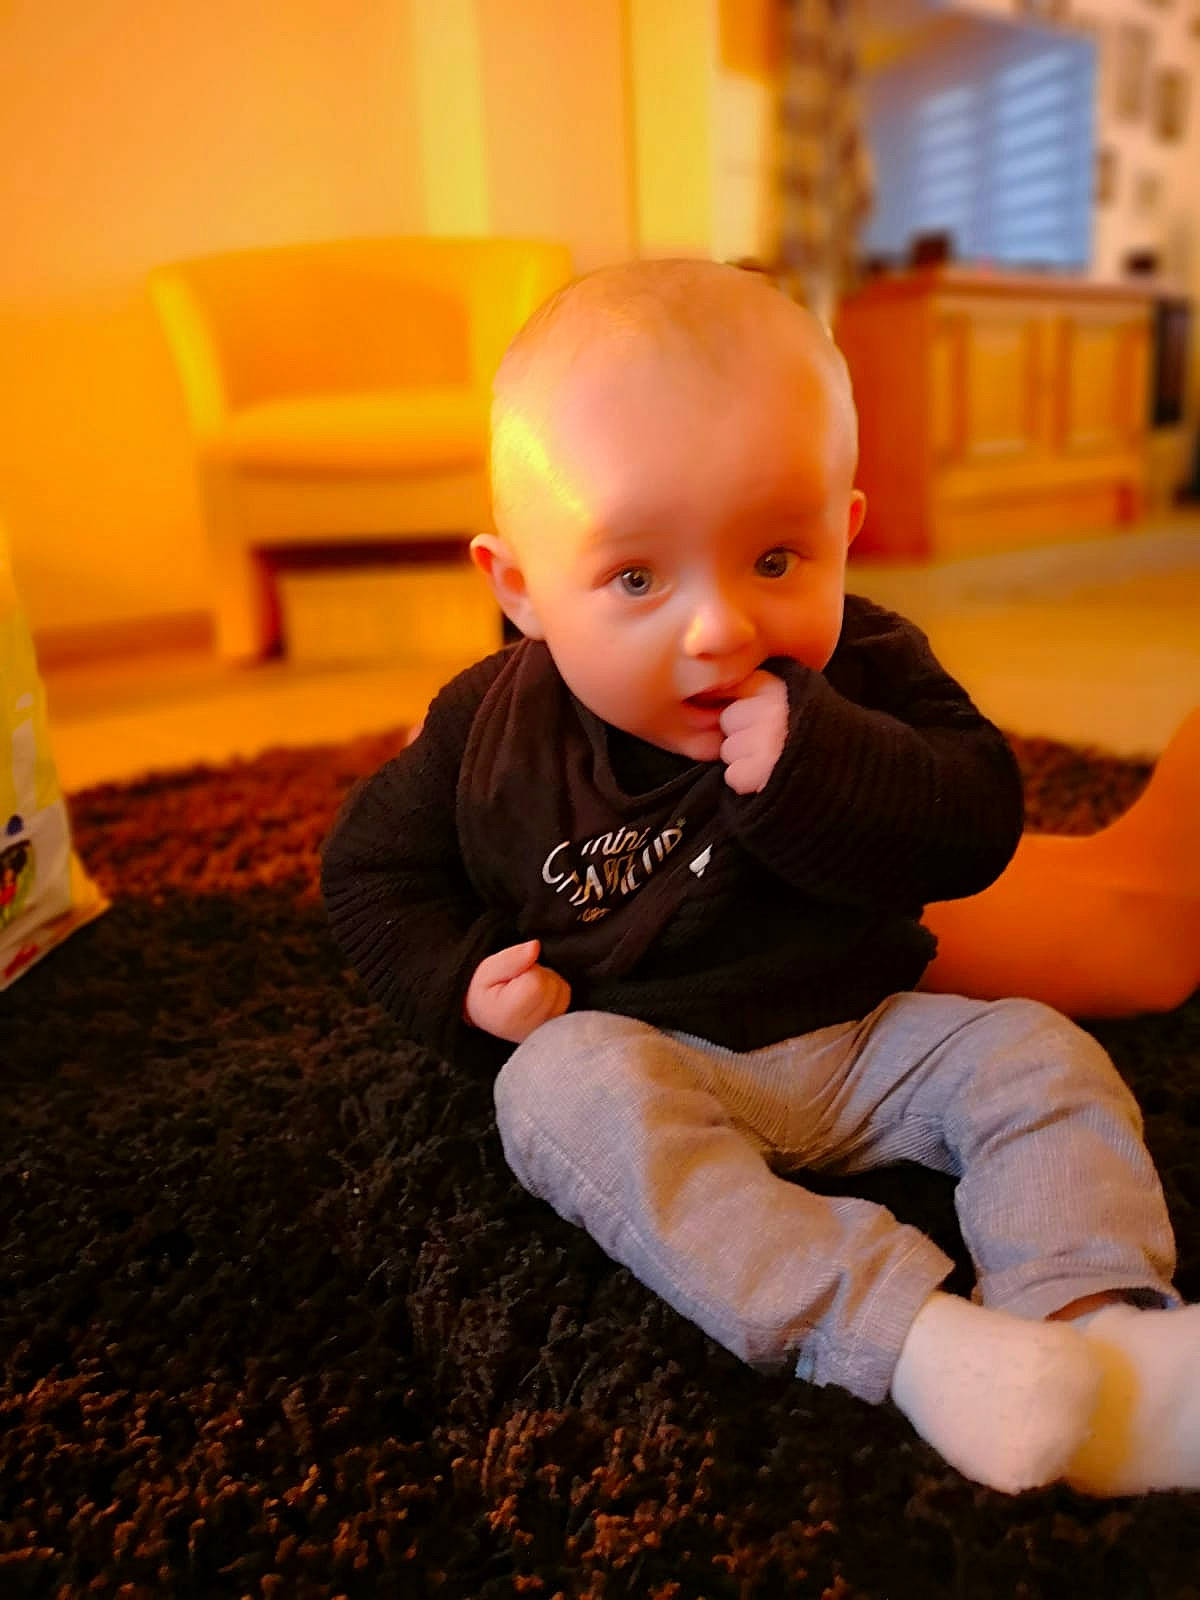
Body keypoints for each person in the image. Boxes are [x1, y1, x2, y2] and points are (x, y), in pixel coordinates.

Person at [322, 259, 1200, 1499]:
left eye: (776, 558)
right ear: (519, 588)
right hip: (650, 1051)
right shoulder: (488, 730)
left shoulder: (870, 671)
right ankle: (919, 1347)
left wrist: (825, 762)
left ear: (846, 530)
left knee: (1037, 1054)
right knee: (551, 1096)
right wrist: (463, 985)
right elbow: (366, 874)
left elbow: (979, 821)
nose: (722, 628)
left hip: (863, 1031)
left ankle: (1099, 1338)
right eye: (636, 578)